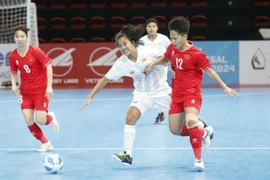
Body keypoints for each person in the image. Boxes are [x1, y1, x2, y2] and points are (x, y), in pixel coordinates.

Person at [79, 24, 213, 166]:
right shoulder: (121, 63)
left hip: (162, 91)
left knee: (187, 123)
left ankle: (204, 131)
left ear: (132, 42)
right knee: (130, 116)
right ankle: (127, 154)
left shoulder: (149, 51)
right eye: (120, 46)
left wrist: (173, 68)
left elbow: (171, 54)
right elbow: (105, 79)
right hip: (142, 94)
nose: (123, 48)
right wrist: (90, 97)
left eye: (125, 44)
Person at [146, 17, 238, 171]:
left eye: (175, 38)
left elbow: (209, 71)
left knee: (190, 123)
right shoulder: (172, 48)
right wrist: (153, 63)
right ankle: (204, 132)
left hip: (192, 94)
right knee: (174, 130)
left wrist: (224, 87)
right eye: (171, 38)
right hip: (176, 95)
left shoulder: (196, 54)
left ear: (185, 37)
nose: (172, 41)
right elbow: (166, 59)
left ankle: (198, 159)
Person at [9, 25, 59, 152]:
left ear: (26, 38)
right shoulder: (13, 56)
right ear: (14, 38)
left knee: (41, 120)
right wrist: (14, 84)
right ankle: (45, 142)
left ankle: (51, 118)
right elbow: (13, 72)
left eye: (22, 36)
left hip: (40, 90)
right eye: (17, 37)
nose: (20, 39)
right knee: (28, 119)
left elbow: (49, 67)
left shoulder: (35, 51)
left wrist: (49, 87)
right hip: (25, 92)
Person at [140, 18, 171, 124]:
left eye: (153, 26)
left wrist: (169, 63)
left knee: (160, 87)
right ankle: (160, 110)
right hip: (148, 69)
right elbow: (140, 55)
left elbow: (172, 51)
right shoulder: (142, 41)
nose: (151, 28)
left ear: (157, 28)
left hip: (162, 67)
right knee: (151, 90)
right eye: (149, 26)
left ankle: (163, 110)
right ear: (146, 28)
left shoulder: (164, 39)